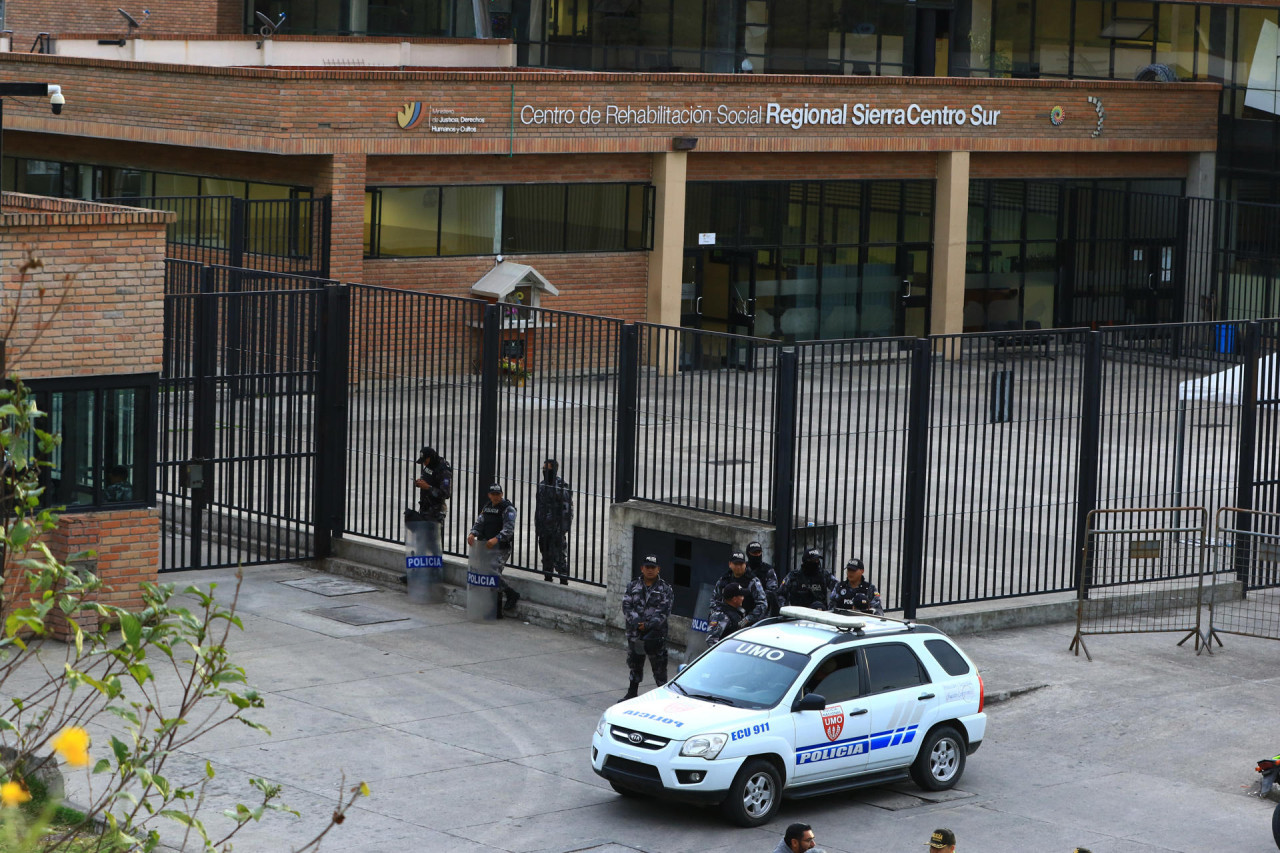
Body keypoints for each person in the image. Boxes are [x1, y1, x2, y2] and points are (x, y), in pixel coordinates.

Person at [621, 553, 673, 700]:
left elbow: (664, 611)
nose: (650, 570)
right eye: (647, 567)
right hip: (635, 634)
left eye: (653, 567)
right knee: (635, 664)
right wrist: (638, 623)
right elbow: (626, 606)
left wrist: (649, 625)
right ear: (642, 568)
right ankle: (632, 693)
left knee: (660, 669)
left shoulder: (665, 589)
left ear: (658, 569)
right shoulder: (633, 586)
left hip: (655, 635)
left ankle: (664, 698)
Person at [402, 445, 452, 584]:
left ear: (431, 457)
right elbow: (428, 480)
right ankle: (417, 573)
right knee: (421, 541)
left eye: (425, 461)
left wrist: (428, 487)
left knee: (433, 543)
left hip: (435, 511)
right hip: (425, 508)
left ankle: (435, 575)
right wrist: (420, 483)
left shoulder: (443, 470)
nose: (424, 463)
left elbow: (445, 493)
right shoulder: (429, 466)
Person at [468, 483, 520, 616]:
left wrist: (496, 538)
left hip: (501, 548)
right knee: (485, 573)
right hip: (487, 546)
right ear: (489, 495)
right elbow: (479, 523)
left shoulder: (508, 509)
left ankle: (510, 594)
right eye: (493, 494)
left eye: (498, 494)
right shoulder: (487, 507)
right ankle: (495, 610)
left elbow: (509, 529)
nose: (496, 497)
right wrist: (472, 533)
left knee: (492, 572)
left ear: (502, 494)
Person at [534, 458, 573, 585]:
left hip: (556, 528)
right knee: (546, 558)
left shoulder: (561, 486)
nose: (545, 471)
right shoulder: (542, 484)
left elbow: (567, 509)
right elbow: (539, 507)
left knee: (559, 558)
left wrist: (562, 529)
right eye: (544, 469)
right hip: (543, 528)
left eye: (548, 469)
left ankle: (563, 582)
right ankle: (547, 580)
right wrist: (538, 526)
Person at [710, 551, 767, 627]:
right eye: (736, 564)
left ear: (745, 564)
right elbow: (714, 600)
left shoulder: (753, 581)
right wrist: (717, 615)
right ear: (730, 564)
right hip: (725, 619)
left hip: (746, 623)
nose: (738, 567)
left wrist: (746, 620)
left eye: (741, 564)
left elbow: (762, 604)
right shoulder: (724, 579)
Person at [706, 582, 749, 646]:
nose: (743, 598)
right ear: (734, 599)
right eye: (741, 596)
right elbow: (711, 640)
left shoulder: (736, 612)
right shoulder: (721, 615)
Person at [745, 540, 780, 616]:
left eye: (759, 552)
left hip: (763, 606)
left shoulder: (768, 570)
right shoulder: (743, 568)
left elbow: (772, 591)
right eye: (754, 553)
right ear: (748, 554)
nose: (757, 555)